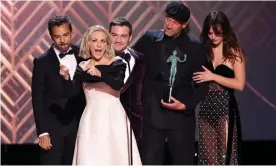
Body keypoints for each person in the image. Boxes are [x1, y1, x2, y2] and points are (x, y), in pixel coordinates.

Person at [132, 1, 210, 165]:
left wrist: (186, 105)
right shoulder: (149, 39)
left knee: (183, 161)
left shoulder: (195, 48)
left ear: (184, 25)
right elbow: (129, 58)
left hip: (180, 117)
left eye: (174, 22)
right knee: (149, 160)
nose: (169, 25)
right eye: (168, 19)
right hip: (152, 114)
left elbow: (203, 84)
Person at [60, 25, 142, 165]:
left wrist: (100, 73)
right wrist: (67, 78)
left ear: (107, 44)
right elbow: (72, 92)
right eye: (94, 40)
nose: (99, 44)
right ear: (88, 43)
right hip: (91, 120)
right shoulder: (82, 66)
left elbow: (118, 84)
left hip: (114, 119)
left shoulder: (117, 63)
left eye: (103, 41)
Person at [193, 11, 246, 165]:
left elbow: (240, 84)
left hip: (225, 109)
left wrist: (213, 76)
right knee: (208, 159)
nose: (213, 37)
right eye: (210, 33)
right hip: (206, 109)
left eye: (217, 33)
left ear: (225, 31)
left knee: (226, 156)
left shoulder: (234, 53)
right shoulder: (204, 51)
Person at [31, 15, 85, 165]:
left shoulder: (83, 55)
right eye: (57, 36)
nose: (62, 40)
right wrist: (42, 132)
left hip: (79, 125)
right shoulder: (42, 62)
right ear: (51, 36)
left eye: (66, 35)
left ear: (71, 32)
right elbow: (37, 98)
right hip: (53, 128)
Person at [109, 17, 146, 145]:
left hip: (133, 123)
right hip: (105, 121)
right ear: (108, 35)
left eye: (123, 36)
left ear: (130, 38)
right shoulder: (96, 58)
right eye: (114, 35)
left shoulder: (141, 59)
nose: (118, 40)